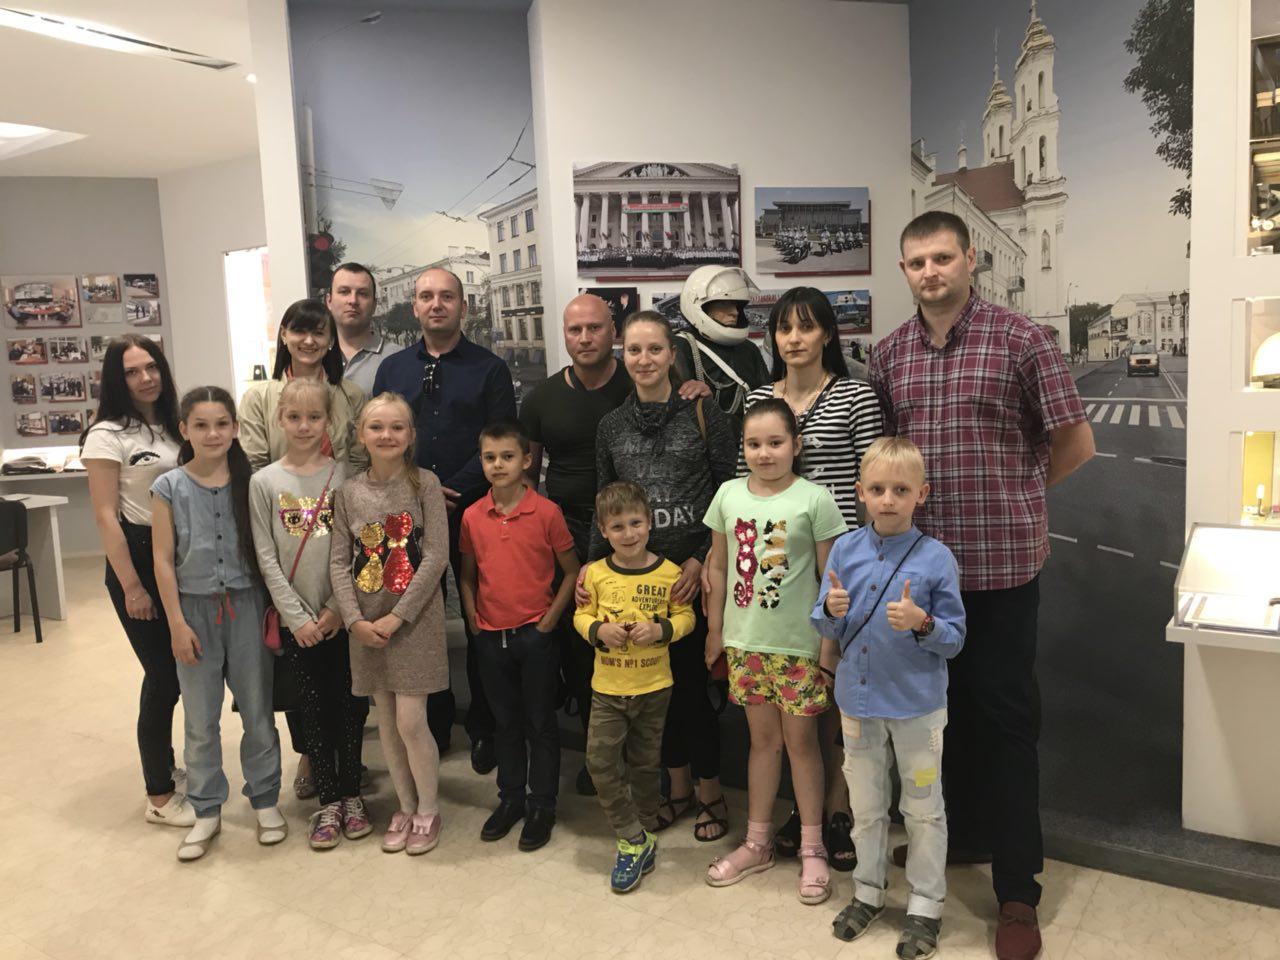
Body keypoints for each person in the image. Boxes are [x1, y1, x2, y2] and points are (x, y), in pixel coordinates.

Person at [870, 211, 1094, 960]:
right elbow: (890, 463)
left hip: (1000, 570)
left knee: (1004, 723)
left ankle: (1017, 889)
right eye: (916, 262)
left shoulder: (1022, 340)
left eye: (942, 258)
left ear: (971, 260)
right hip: (923, 576)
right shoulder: (890, 355)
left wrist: (1021, 494)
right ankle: (963, 834)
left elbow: (1076, 442)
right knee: (939, 717)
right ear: (904, 271)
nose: (930, 272)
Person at [520, 294, 707, 796]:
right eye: (574, 329)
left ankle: (667, 771)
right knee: (592, 650)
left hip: (654, 545)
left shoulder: (648, 385)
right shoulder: (545, 401)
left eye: (595, 328)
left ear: (613, 334)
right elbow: (530, 475)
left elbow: (714, 472)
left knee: (667, 660)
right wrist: (580, 560)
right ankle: (604, 756)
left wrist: (697, 388)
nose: (585, 338)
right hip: (584, 538)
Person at [740, 286, 883, 871]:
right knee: (801, 702)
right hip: (780, 573)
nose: (794, 338)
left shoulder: (855, 395)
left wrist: (869, 563)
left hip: (841, 565)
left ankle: (840, 810)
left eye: (806, 327)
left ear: (827, 333)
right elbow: (745, 484)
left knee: (841, 693)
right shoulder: (758, 397)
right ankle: (808, 814)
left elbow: (874, 478)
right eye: (783, 328)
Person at [814, 437, 966, 959]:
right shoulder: (845, 550)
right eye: (877, 489)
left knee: (922, 809)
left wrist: (923, 623)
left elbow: (955, 639)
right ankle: (868, 891)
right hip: (858, 706)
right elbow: (823, 621)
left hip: (917, 709)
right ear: (860, 492)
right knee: (866, 807)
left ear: (922, 494)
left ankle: (925, 905)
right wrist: (830, 609)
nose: (888, 500)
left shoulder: (936, 558)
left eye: (901, 490)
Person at [590, 310, 736, 843]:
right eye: (634, 350)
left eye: (655, 349)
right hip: (634, 584)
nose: (644, 359)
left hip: (693, 580)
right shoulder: (611, 426)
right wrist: (591, 569)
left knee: (694, 695)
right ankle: (676, 789)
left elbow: (729, 492)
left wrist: (701, 559)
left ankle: (711, 793)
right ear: (622, 356)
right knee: (657, 699)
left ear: (672, 355)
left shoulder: (702, 411)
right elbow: (604, 502)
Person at [702, 399, 846, 903]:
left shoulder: (816, 500)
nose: (764, 453)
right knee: (761, 744)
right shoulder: (727, 494)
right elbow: (718, 566)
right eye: (753, 444)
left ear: (796, 445)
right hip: (746, 645)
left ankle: (812, 847)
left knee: (803, 745)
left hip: (799, 649)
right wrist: (715, 631)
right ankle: (757, 842)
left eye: (775, 442)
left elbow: (832, 581)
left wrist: (828, 649)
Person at [373, 267, 517, 767]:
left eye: (447, 296)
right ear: (414, 306)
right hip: (407, 514)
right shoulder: (392, 370)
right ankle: (433, 724)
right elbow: (382, 435)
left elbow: (502, 440)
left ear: (463, 306)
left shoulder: (490, 369)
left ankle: (485, 726)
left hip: (473, 508)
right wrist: (419, 492)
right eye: (427, 296)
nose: (437, 304)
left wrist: (446, 488)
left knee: (483, 617)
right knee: (417, 621)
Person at [240, 297, 368, 803]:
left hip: (339, 528)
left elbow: (359, 462)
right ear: (284, 335)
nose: (309, 341)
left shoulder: (349, 393)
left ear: (332, 339)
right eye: (299, 330)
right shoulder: (261, 395)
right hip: (285, 527)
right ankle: (311, 755)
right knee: (299, 672)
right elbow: (253, 462)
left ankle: (348, 762)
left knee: (342, 671)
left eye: (319, 332)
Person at [151, 386, 284, 862]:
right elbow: (163, 560)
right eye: (201, 425)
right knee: (200, 719)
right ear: (184, 430)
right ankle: (206, 808)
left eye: (222, 424)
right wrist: (176, 623)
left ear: (235, 428)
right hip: (194, 611)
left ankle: (265, 799)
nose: (213, 434)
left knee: (257, 711)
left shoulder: (255, 483)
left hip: (247, 607)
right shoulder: (168, 487)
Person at [329, 393, 451, 856]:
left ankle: (429, 809)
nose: (387, 435)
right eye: (377, 427)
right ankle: (405, 804)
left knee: (411, 721)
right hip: (366, 626)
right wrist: (354, 620)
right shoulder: (348, 492)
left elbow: (436, 555)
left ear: (411, 435)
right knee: (385, 721)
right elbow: (339, 562)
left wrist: (398, 616)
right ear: (361, 435)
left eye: (397, 427)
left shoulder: (426, 485)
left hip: (414, 622)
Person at [82, 335, 191, 827]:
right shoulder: (107, 434)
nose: (146, 378)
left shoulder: (173, 424)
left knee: (179, 671)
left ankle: (166, 766)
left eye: (151, 367)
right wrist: (131, 586)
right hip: (139, 557)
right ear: (116, 379)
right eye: (132, 371)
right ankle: (159, 796)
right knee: (163, 676)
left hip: (179, 555)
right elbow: (106, 516)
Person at [459, 420, 579, 852]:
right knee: (504, 723)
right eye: (489, 457)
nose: (498, 465)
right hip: (491, 637)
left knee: (540, 723)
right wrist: (473, 617)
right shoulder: (473, 516)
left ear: (527, 460)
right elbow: (467, 574)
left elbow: (571, 571)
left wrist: (549, 622)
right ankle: (511, 798)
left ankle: (542, 804)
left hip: (535, 635)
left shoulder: (546, 513)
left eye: (507, 456)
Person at [574, 481, 695, 893]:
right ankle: (631, 836)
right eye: (618, 526)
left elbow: (686, 617)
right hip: (608, 689)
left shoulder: (669, 572)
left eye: (635, 523)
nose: (629, 533)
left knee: (646, 766)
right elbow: (580, 616)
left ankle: (643, 835)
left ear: (649, 522)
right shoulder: (595, 574)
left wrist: (661, 630)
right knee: (600, 763)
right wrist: (597, 630)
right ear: (603, 531)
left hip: (655, 687)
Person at [672, 265, 770, 432]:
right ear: (698, 305)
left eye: (737, 305)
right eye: (724, 303)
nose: (735, 312)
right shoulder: (681, 347)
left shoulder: (749, 349)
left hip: (751, 440)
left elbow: (768, 405)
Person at [328, 262, 391, 397]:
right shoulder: (313, 355)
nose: (353, 300)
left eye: (362, 294)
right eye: (344, 292)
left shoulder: (396, 358)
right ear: (329, 301)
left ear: (374, 305)